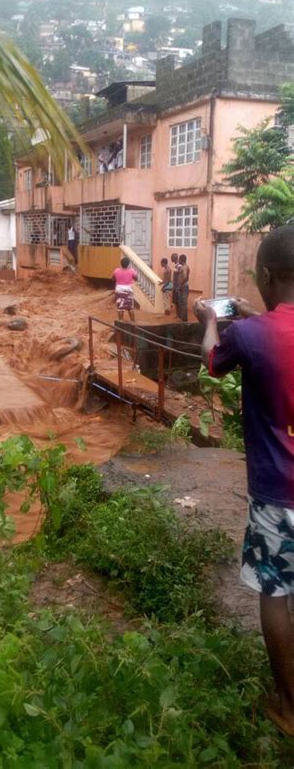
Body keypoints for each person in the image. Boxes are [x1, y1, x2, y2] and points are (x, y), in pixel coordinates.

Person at [194, 224, 294, 737]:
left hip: (279, 495)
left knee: (274, 592)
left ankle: (289, 708)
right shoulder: (262, 328)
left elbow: (213, 360)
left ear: (269, 276)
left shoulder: (249, 336)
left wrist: (212, 319)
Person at [112, 256, 138, 322]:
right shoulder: (132, 271)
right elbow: (136, 279)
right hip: (128, 290)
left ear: (121, 264)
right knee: (130, 308)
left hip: (119, 290)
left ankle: (121, 322)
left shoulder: (116, 271)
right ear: (128, 264)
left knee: (120, 308)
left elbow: (113, 278)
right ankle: (133, 322)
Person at [177, 254, 190, 322]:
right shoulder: (185, 267)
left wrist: (180, 286)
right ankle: (183, 319)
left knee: (183, 303)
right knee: (182, 303)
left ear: (181, 260)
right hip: (184, 286)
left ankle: (184, 320)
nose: (178, 260)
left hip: (183, 287)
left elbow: (184, 277)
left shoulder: (184, 267)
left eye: (179, 259)